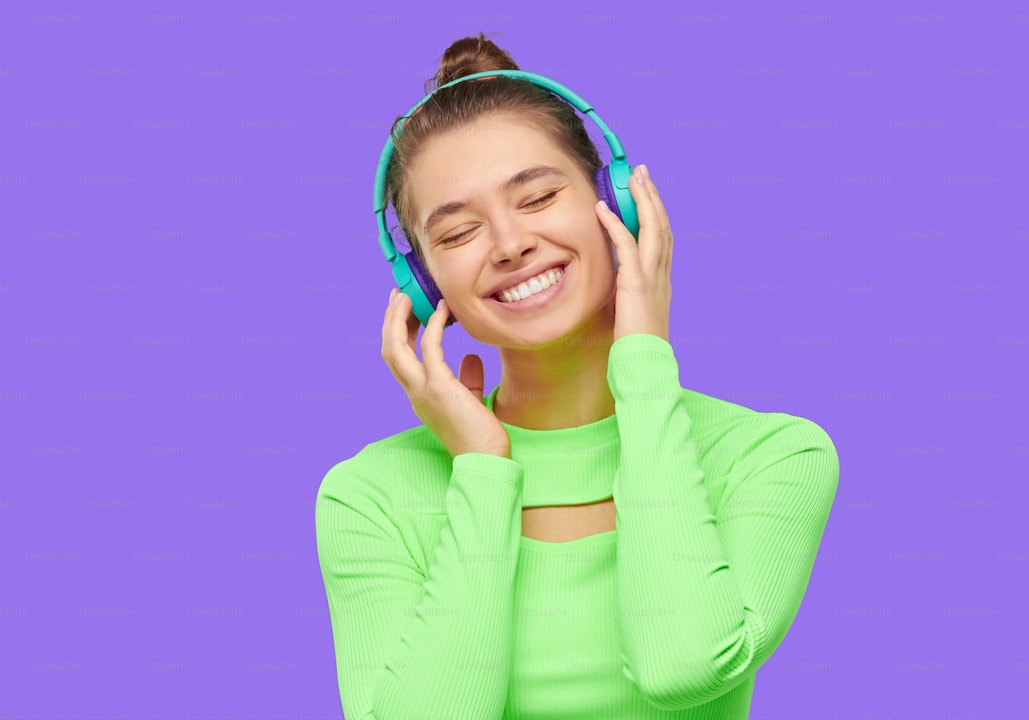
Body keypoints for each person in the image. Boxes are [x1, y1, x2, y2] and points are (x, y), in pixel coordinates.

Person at [315, 32, 840, 719]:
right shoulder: (369, 498)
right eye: (456, 233)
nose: (509, 245)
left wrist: (645, 367)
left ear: (613, 204)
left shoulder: (770, 456)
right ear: (421, 283)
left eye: (536, 198)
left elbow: (680, 666)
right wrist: (480, 469)